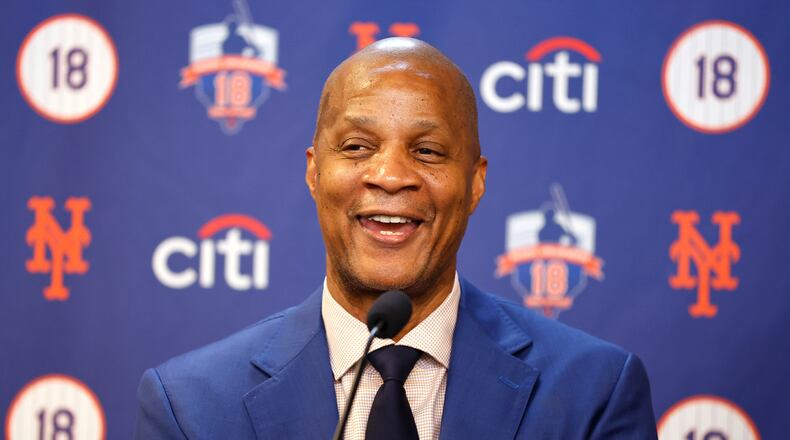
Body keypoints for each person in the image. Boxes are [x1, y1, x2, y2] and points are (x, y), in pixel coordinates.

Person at [135, 37, 657, 439]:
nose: (390, 175)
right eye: (358, 147)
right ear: (314, 173)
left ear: (476, 182)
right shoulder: (192, 405)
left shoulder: (593, 391)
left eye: (427, 151)